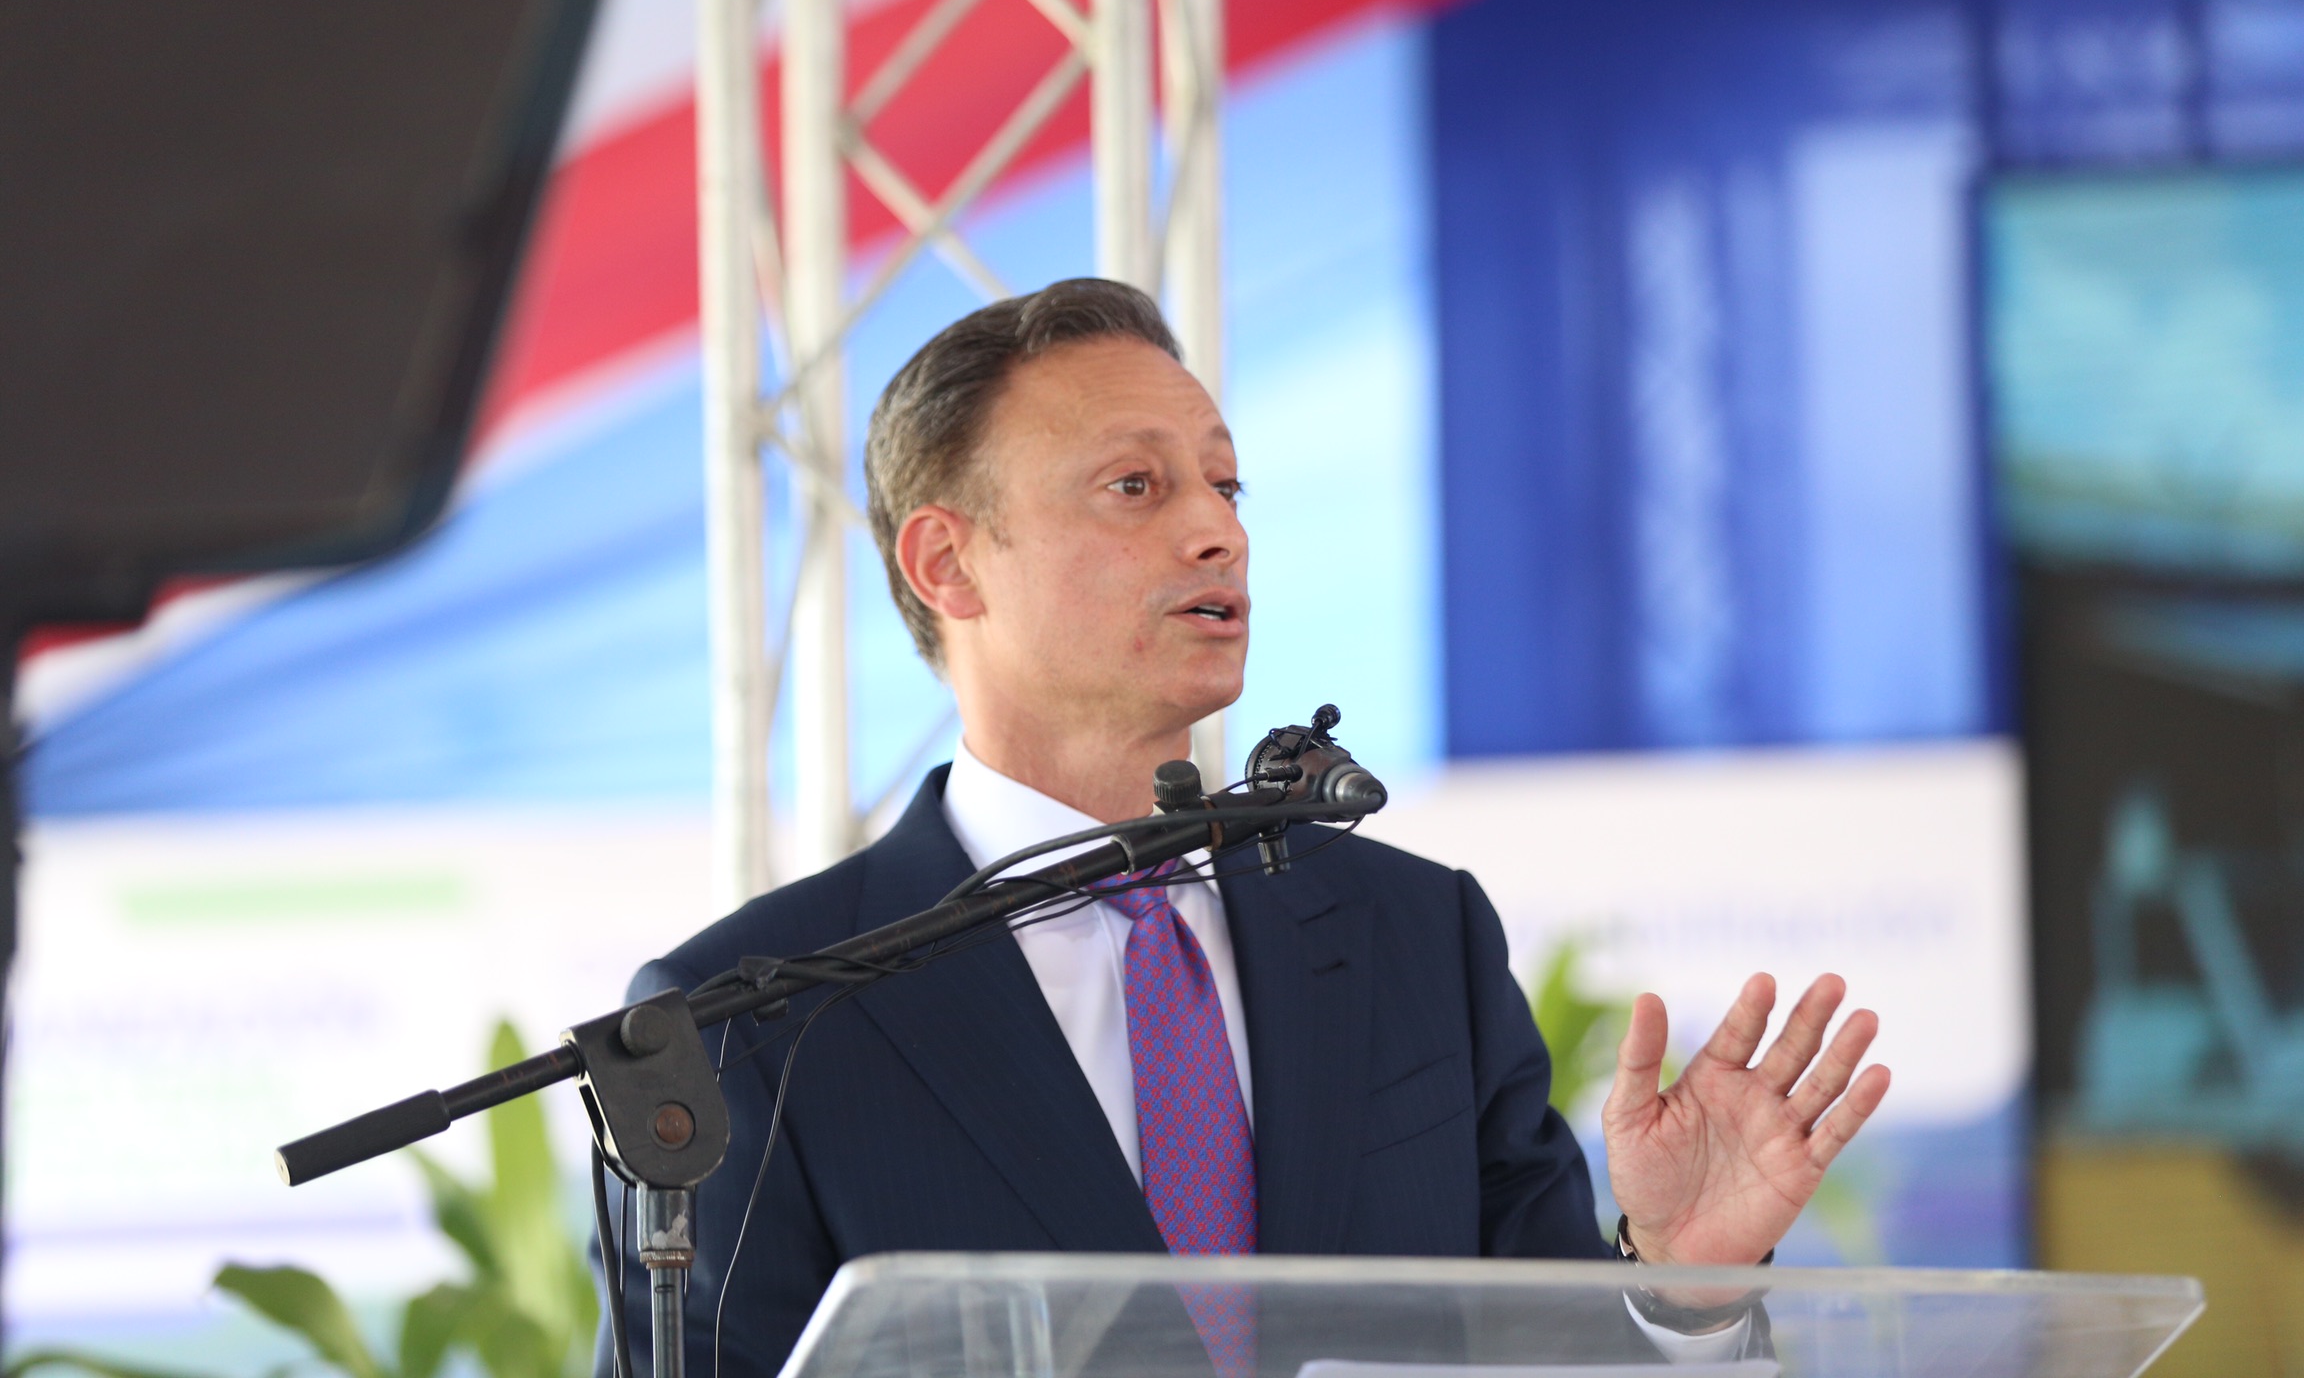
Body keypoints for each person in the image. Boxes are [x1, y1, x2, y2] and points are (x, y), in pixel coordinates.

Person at [600, 279, 1890, 1377]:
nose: (1217, 531)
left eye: (1226, 485)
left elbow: (1540, 1356)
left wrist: (1681, 1291)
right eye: (1136, 486)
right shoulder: (753, 1020)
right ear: (948, 563)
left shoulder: (1414, 937)